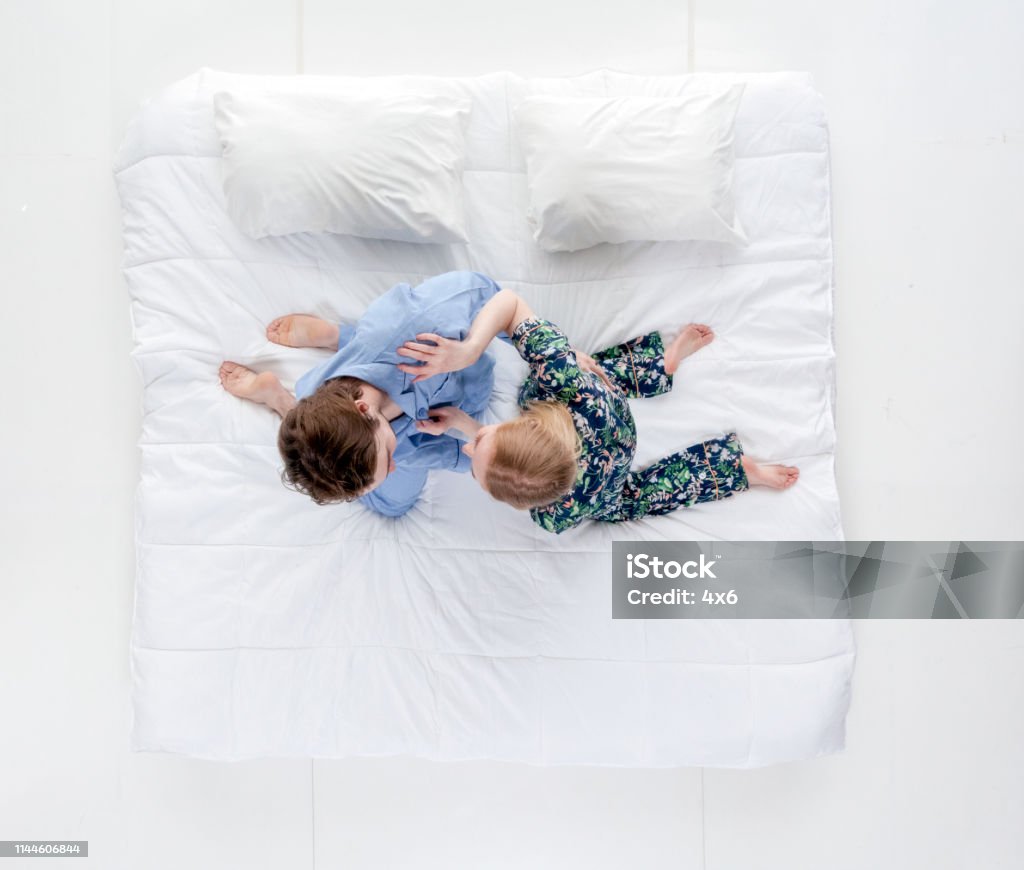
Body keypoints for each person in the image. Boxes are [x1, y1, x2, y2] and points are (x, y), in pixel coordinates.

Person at [400, 289, 800, 534]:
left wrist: (468, 371)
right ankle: (659, 365)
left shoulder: (558, 515)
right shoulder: (568, 382)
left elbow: (507, 301)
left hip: (607, 468)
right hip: (609, 415)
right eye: (480, 446)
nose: (468, 448)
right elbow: (512, 303)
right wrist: (468, 422)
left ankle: (734, 470)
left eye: (474, 457)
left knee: (633, 501)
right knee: (590, 370)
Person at [217, 270, 510, 517]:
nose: (393, 465)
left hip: (463, 379)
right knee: (394, 500)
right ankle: (282, 401)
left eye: (386, 455)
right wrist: (486, 462)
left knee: (389, 502)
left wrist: (471, 349)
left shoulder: (413, 326)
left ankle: (337, 336)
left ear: (363, 410)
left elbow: (487, 292)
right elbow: (421, 451)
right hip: (394, 420)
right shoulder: (320, 401)